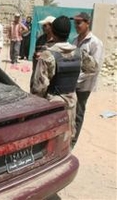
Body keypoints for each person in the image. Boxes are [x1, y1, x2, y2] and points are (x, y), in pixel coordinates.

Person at [31, 16, 96, 144]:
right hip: (71, 105)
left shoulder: (47, 55)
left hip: (52, 106)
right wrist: (75, 81)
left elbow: (38, 88)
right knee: (65, 142)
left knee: (49, 144)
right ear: (68, 33)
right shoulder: (79, 53)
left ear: (53, 33)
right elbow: (93, 68)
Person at [71, 12, 104, 147]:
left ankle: (72, 143)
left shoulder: (95, 43)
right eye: (75, 23)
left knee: (78, 113)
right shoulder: (74, 40)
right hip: (72, 83)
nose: (76, 26)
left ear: (87, 23)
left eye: (79, 23)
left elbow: (94, 68)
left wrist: (77, 79)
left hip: (84, 85)